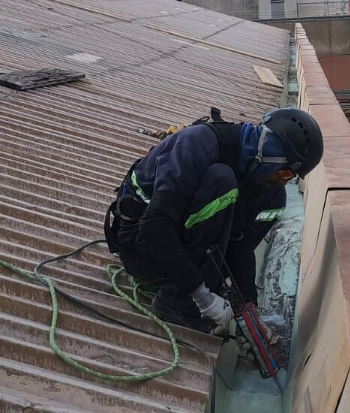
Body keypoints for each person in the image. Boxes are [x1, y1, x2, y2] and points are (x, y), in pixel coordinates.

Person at [104, 107, 324, 333]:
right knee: (222, 180)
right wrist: (202, 296)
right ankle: (177, 302)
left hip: (176, 255)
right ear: (270, 150)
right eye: (285, 173)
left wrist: (248, 308)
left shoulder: (252, 169)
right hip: (142, 249)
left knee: (273, 197)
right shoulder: (195, 146)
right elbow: (155, 226)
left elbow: (241, 242)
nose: (282, 181)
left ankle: (203, 287)